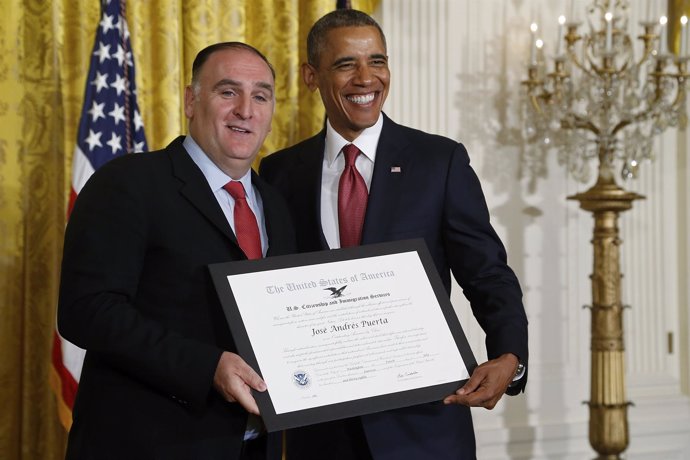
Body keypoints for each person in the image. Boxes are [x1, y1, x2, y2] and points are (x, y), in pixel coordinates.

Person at [259, 9, 528, 460]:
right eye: (346, 64)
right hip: (321, 432)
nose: (366, 78)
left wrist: (509, 357)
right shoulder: (280, 172)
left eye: (377, 61)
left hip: (425, 427)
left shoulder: (438, 161)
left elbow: (487, 274)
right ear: (311, 75)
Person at [58, 42, 295, 460]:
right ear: (190, 100)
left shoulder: (275, 203)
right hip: (146, 445)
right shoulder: (129, 182)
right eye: (228, 91)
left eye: (261, 95)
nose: (246, 109)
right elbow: (87, 310)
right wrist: (207, 368)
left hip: (254, 447)